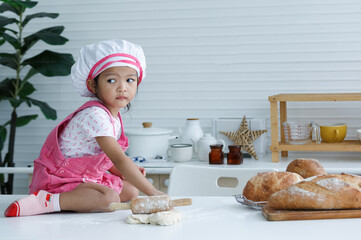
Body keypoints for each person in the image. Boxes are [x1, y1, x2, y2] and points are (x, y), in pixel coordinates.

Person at [4, 39, 166, 217]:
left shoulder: (113, 117)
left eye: (130, 80)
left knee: (131, 191)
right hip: (60, 179)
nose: (122, 87)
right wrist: (153, 192)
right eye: (112, 80)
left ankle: (76, 200)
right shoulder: (96, 115)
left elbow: (102, 158)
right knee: (109, 198)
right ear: (92, 85)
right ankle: (48, 200)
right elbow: (119, 158)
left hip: (86, 176)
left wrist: (125, 172)